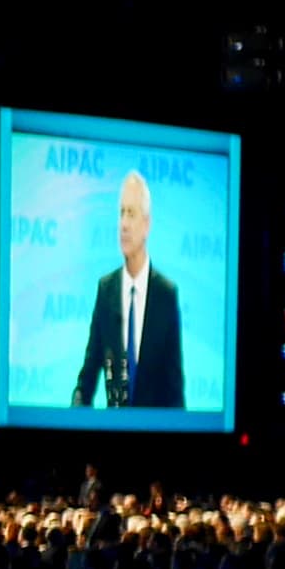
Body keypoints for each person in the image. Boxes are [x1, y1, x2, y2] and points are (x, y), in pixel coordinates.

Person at [72, 171, 183, 408]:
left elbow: (175, 392)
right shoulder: (105, 290)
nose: (123, 224)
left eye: (131, 214)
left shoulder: (166, 295)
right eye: (121, 213)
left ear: (146, 224)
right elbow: (87, 379)